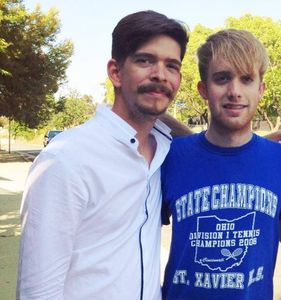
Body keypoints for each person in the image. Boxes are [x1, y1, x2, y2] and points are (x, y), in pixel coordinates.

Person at [17, 10, 189, 299]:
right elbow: (38, 291)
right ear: (115, 72)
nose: (160, 74)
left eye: (171, 65)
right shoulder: (66, 160)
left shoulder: (166, 150)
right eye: (145, 60)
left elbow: (212, 149)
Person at [160, 29, 281, 299]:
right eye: (222, 79)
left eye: (246, 79)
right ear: (203, 89)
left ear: (261, 88)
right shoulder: (170, 157)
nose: (234, 91)